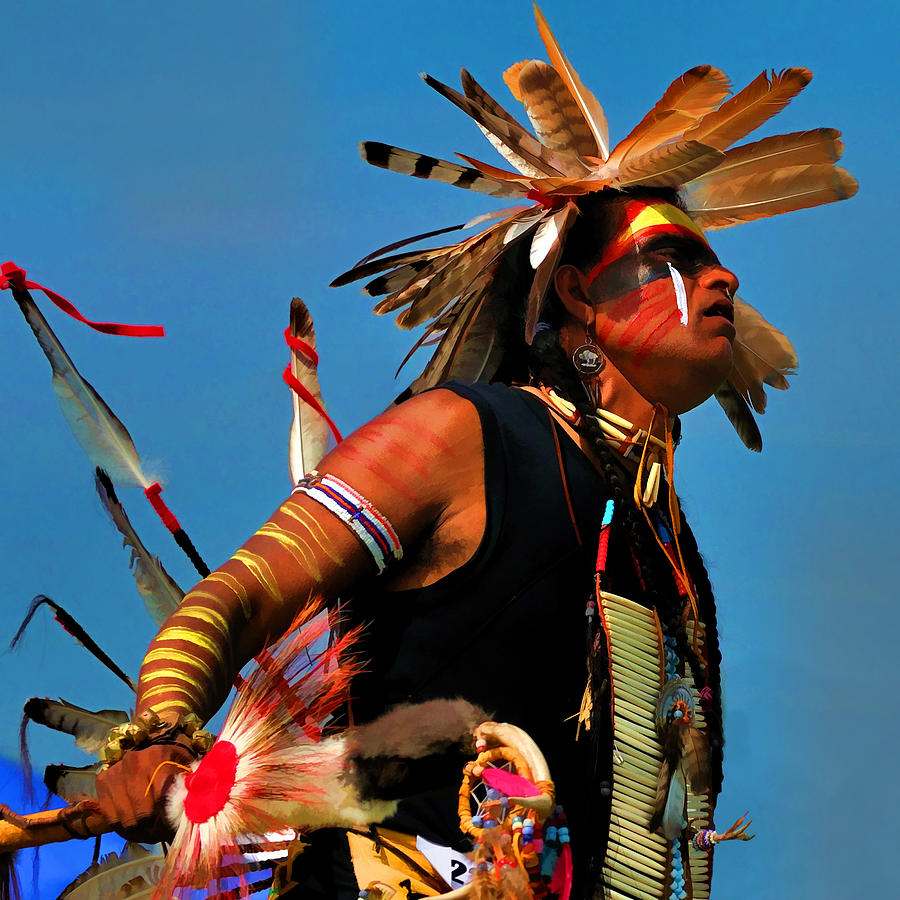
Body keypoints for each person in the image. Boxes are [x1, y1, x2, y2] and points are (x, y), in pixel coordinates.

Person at [91, 9, 856, 899]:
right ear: (576, 292)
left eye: (719, 265)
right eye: (674, 258)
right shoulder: (461, 436)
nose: (721, 279)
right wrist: (157, 734)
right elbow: (245, 590)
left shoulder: (661, 538)